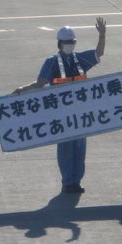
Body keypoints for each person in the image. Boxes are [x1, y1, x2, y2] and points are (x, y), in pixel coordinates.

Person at [13, 18, 106, 194]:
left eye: (72, 42)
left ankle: (76, 181)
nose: (69, 45)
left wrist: (102, 34)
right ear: (59, 43)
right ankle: (67, 182)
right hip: (62, 113)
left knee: (79, 147)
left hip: (79, 112)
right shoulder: (52, 62)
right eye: (66, 42)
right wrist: (23, 89)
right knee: (65, 149)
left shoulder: (79, 60)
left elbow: (99, 53)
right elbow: (41, 83)